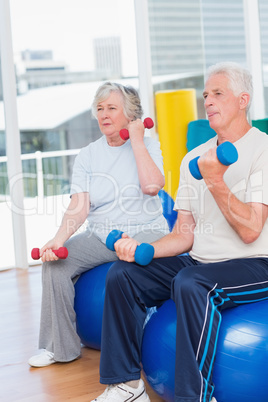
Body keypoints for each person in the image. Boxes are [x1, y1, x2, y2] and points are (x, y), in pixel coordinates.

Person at [91, 62, 268, 402]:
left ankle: (194, 396)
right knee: (121, 275)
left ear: (243, 99)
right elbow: (184, 234)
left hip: (254, 262)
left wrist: (215, 179)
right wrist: (143, 249)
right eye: (205, 95)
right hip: (201, 261)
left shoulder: (263, 151)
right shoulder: (195, 158)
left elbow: (251, 231)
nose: (208, 101)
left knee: (191, 284)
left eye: (218, 93)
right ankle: (128, 384)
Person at [28, 82, 169, 368]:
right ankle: (60, 348)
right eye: (100, 108)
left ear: (130, 115)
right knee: (55, 265)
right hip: (103, 235)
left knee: (128, 268)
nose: (104, 114)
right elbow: (80, 206)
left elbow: (152, 186)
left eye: (112, 108)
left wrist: (138, 141)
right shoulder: (88, 154)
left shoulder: (148, 144)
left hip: (146, 230)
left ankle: (139, 342)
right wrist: (58, 239)